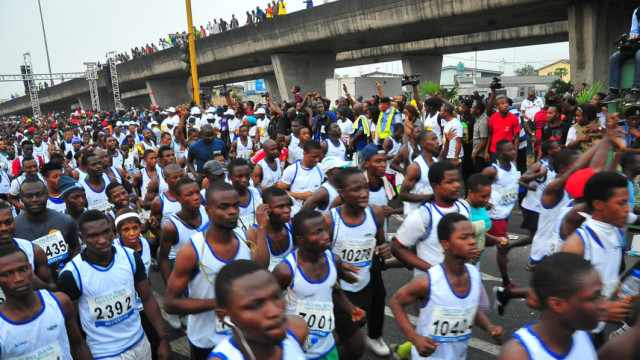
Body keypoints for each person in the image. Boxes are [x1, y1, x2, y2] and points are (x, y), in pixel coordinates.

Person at [163, 181, 269, 359]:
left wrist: (263, 228)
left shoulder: (246, 237)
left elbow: (260, 269)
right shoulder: (193, 250)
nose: (233, 211)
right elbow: (171, 304)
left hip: (242, 336)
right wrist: (221, 302)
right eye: (224, 207)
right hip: (207, 341)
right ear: (209, 211)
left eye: (235, 205)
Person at [57, 210, 172, 359]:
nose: (102, 240)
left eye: (106, 232)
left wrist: (163, 338)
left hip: (140, 344)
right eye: (93, 235)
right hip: (105, 354)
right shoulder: (72, 274)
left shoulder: (130, 257)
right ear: (82, 237)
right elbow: (71, 324)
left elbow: (147, 297)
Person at [390, 213, 504, 360]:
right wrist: (415, 338)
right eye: (463, 237)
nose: (472, 242)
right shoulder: (429, 281)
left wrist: (489, 327)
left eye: (472, 236)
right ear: (446, 244)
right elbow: (396, 302)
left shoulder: (474, 274)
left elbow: (470, 308)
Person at [272, 209, 365, 360]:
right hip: (295, 349)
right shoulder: (285, 271)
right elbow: (269, 306)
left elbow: (334, 290)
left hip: (326, 346)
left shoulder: (334, 260)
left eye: (326, 230)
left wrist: (351, 309)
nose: (326, 236)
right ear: (301, 239)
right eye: (318, 232)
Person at [326, 167, 391, 358]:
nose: (364, 194)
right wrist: (338, 264)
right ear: (342, 194)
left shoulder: (375, 214)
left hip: (364, 286)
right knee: (354, 345)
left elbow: (380, 243)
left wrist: (384, 248)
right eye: (356, 190)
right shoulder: (330, 220)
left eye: (366, 188)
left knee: (357, 325)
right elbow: (315, 254)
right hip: (338, 291)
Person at [498, 253, 601, 360]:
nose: (603, 304)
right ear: (557, 305)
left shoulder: (585, 333)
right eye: (593, 298)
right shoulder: (518, 355)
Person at [0, 245, 93, 359]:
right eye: (7, 274)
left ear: (30, 269)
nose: (18, 278)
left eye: (22, 269)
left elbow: (78, 345)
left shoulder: (60, 302)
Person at [209, 260, 307, 360]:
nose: (274, 311)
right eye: (254, 306)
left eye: (276, 297)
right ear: (225, 317)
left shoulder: (297, 330)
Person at [392, 161, 470, 276]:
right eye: (450, 182)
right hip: (429, 288)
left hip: (459, 283)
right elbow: (397, 249)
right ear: (435, 186)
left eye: (457, 180)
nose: (457, 185)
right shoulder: (422, 215)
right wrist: (433, 270)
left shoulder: (464, 207)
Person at [113, 208, 161, 359]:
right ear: (118, 231)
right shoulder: (113, 249)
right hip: (125, 310)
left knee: (155, 342)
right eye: (126, 229)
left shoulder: (145, 244)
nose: (132, 233)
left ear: (141, 227)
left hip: (144, 305)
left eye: (135, 228)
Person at [15, 178, 80, 276]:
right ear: (21, 198)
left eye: (39, 194)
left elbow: (75, 246)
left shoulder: (66, 220)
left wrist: (70, 268)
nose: (35, 199)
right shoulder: (14, 227)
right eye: (29, 196)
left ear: (47, 194)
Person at [482, 139, 523, 287]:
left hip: (506, 213)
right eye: (509, 150)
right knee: (502, 246)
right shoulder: (493, 170)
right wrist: (484, 201)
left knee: (485, 241)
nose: (513, 152)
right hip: (495, 215)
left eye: (513, 149)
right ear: (499, 153)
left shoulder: (513, 166)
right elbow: (476, 182)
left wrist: (528, 187)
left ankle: (469, 247)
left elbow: (516, 181)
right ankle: (506, 281)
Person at [0, 202, 55, 295]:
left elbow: (53, 289)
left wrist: (38, 284)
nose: (4, 228)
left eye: (8, 222)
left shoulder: (33, 250)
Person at [399, 130, 451, 217]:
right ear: (423, 144)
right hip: (415, 216)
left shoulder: (435, 161)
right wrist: (432, 197)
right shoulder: (415, 167)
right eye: (433, 139)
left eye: (437, 139)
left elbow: (442, 157)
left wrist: (448, 141)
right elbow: (403, 195)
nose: (437, 142)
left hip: (430, 214)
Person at [246, 187, 294, 271]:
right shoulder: (252, 233)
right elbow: (260, 267)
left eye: (288, 205)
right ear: (265, 208)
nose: (287, 210)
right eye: (280, 206)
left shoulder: (292, 228)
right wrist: (262, 227)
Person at [602, 8, 640, 104]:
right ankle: (614, 92)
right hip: (637, 44)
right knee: (614, 57)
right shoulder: (637, 11)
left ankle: (636, 90)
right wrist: (633, 36)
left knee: (639, 55)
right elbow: (634, 31)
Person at [278, 140, 324, 216]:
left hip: (314, 215)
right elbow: (279, 191)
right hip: (296, 215)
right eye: (314, 157)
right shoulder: (292, 170)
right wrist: (300, 195)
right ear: (305, 153)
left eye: (319, 156)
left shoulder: (320, 168)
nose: (317, 159)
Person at [484, 95, 520, 164]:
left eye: (506, 103)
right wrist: (486, 151)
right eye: (502, 103)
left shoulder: (514, 118)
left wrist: (514, 157)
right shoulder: (493, 118)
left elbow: (516, 139)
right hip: (494, 151)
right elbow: (490, 134)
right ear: (497, 107)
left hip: (506, 152)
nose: (506, 105)